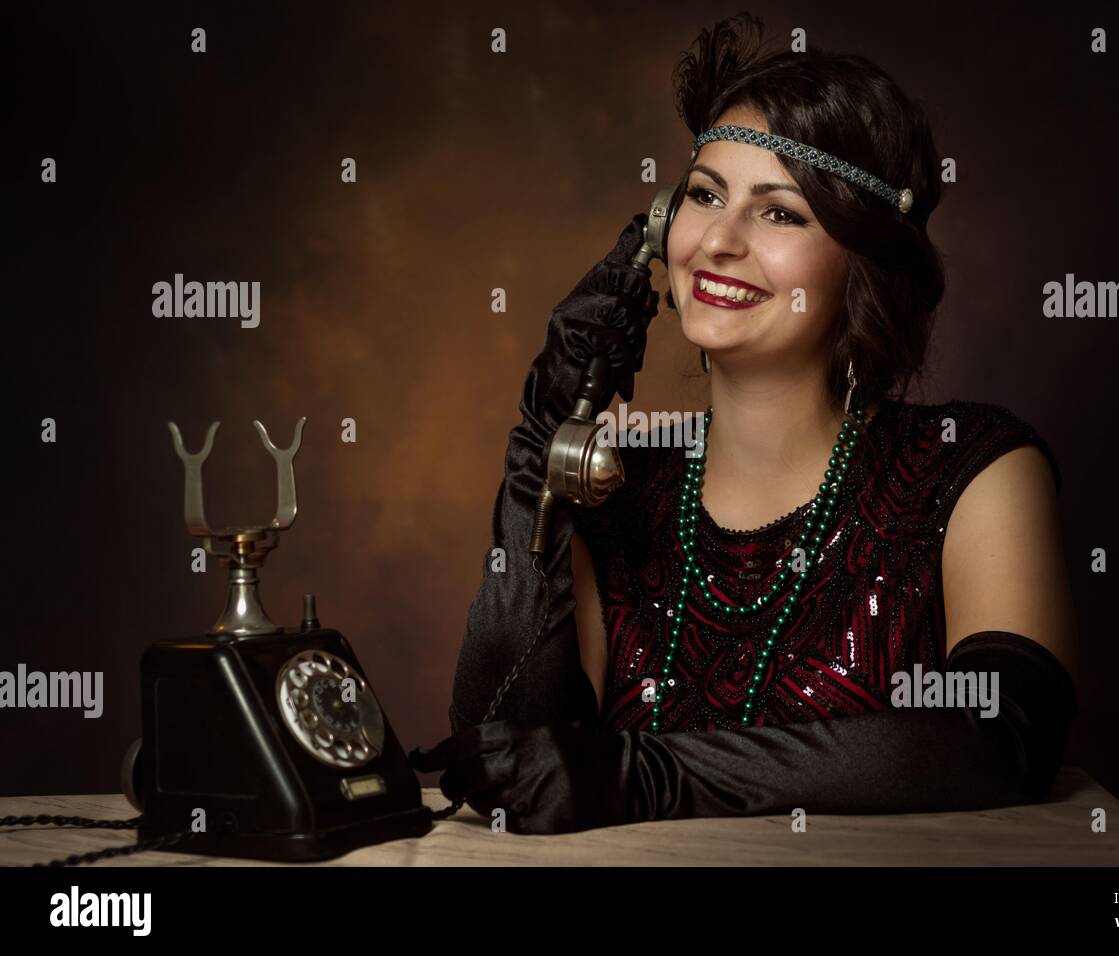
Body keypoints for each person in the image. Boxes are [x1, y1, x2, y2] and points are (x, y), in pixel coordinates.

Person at [416, 13, 1079, 835]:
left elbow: (1003, 737)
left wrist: (648, 776)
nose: (718, 243)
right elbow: (507, 750)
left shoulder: (974, 466)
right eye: (704, 196)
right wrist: (541, 441)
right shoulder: (617, 488)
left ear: (864, 258)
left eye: (780, 214)